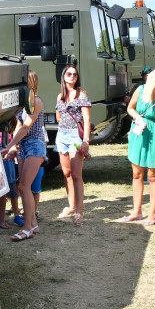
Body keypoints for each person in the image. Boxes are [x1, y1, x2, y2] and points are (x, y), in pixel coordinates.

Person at [122, 67, 155, 225]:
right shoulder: (140, 90)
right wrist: (137, 117)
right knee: (137, 174)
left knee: (153, 176)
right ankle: (136, 211)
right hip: (139, 132)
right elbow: (130, 108)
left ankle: (152, 214)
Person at [3, 70, 46, 241]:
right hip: (24, 147)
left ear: (30, 83)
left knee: (24, 186)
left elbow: (26, 127)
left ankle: (27, 228)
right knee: (23, 187)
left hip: (35, 145)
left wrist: (9, 146)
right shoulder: (23, 105)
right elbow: (18, 127)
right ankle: (33, 224)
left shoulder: (36, 101)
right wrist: (12, 147)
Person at [55, 65, 91, 224]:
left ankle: (79, 212)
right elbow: (58, 116)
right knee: (67, 173)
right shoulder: (60, 96)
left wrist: (86, 140)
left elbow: (87, 119)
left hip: (76, 136)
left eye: (75, 74)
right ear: (63, 77)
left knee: (76, 174)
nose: (72, 76)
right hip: (62, 135)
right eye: (69, 74)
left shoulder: (81, 94)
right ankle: (71, 206)